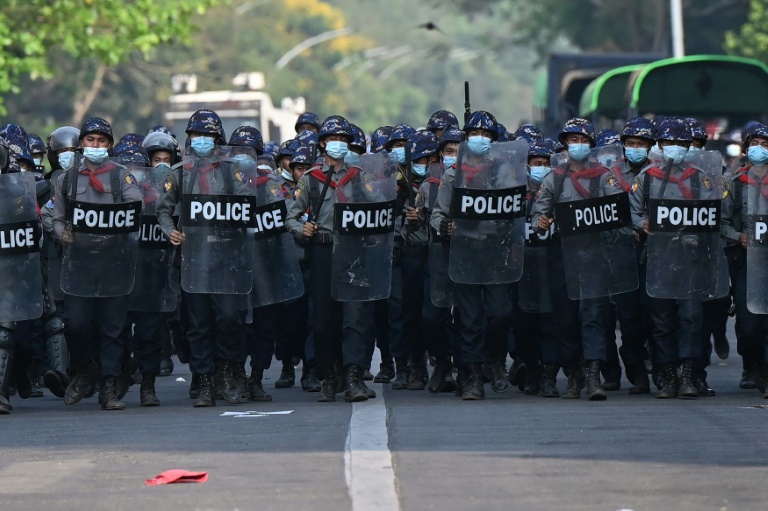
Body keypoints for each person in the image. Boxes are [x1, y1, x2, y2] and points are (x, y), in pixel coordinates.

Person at [156, 109, 249, 408]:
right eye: (196, 135)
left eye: (208, 135)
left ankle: (228, 372)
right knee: (198, 323)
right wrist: (171, 232)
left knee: (229, 318)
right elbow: (163, 210)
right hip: (193, 259)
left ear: (218, 139)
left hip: (227, 258)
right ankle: (204, 379)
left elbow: (247, 210)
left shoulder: (234, 171)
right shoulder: (179, 172)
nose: (202, 140)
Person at [52, 117, 144, 410]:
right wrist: (63, 234)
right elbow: (56, 217)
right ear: (81, 144)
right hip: (79, 263)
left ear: (109, 145)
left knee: (113, 328)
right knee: (77, 325)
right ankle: (85, 369)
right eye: (90, 141)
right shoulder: (66, 178)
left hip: (114, 263)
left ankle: (108, 387)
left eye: (101, 141)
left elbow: (135, 209)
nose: (95, 145)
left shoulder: (121, 176)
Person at [285, 115, 377, 402]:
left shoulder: (361, 176)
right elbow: (291, 216)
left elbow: (378, 212)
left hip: (354, 252)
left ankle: (354, 375)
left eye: (343, 140)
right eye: (333, 139)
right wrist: (303, 228)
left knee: (356, 315)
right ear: (322, 143)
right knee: (324, 318)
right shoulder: (311, 179)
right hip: (323, 250)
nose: (338, 144)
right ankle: (329, 374)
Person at [430, 110, 517, 400]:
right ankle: (472, 375)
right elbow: (438, 214)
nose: (480, 139)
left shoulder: (502, 171)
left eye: (486, 135)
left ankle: (493, 357)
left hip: (494, 254)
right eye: (474, 135)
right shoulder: (453, 175)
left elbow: (514, 209)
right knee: (468, 317)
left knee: (500, 313)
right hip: (464, 253)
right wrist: (446, 226)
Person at [721, 123, 768, 398]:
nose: (760, 150)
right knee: (749, 324)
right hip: (748, 264)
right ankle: (753, 363)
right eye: (756, 144)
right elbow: (722, 223)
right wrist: (738, 236)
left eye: (766, 144)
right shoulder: (735, 183)